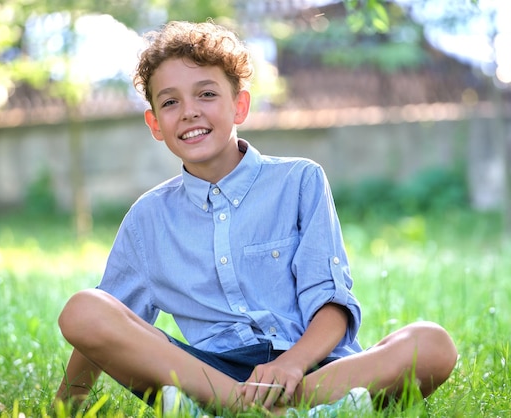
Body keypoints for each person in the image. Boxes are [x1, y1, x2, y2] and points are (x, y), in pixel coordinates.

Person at [55, 20, 457, 417]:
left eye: (207, 94)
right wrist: (62, 408)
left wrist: (292, 364)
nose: (190, 112)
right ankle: (256, 407)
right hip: (209, 377)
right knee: (83, 308)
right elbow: (102, 327)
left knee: (432, 344)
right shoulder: (148, 218)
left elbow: (331, 303)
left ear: (240, 105)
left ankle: (243, 411)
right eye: (170, 102)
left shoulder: (300, 180)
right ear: (155, 123)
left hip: (312, 370)